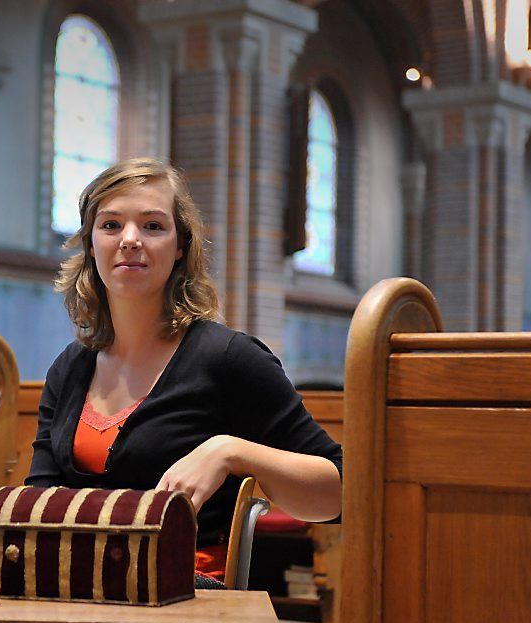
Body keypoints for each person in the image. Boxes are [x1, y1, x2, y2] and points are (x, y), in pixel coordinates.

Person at [25, 157, 342, 580]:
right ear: (91, 245)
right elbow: (38, 502)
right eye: (111, 224)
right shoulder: (69, 369)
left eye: (153, 226)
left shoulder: (229, 359)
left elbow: (338, 493)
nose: (130, 239)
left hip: (186, 593)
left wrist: (231, 451)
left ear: (179, 248)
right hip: (79, 583)